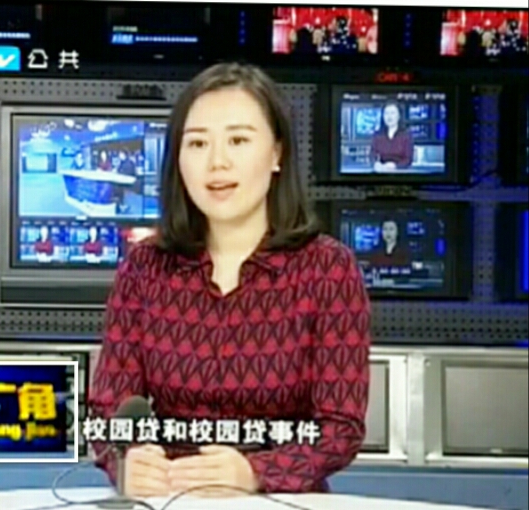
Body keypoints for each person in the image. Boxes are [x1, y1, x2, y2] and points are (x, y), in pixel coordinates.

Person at [89, 62, 371, 497]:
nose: (216, 163)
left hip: (282, 503)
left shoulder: (328, 270)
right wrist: (126, 461)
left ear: (276, 153)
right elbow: (109, 408)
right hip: (171, 500)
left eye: (238, 140)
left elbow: (340, 427)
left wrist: (255, 472)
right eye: (197, 143)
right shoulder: (145, 268)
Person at [369, 102, 414, 171]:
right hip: (382, 171)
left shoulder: (406, 135)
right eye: (386, 113)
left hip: (400, 172)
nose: (389, 117)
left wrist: (395, 166)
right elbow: (372, 155)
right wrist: (376, 164)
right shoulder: (377, 135)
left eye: (392, 113)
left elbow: (408, 160)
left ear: (399, 116)